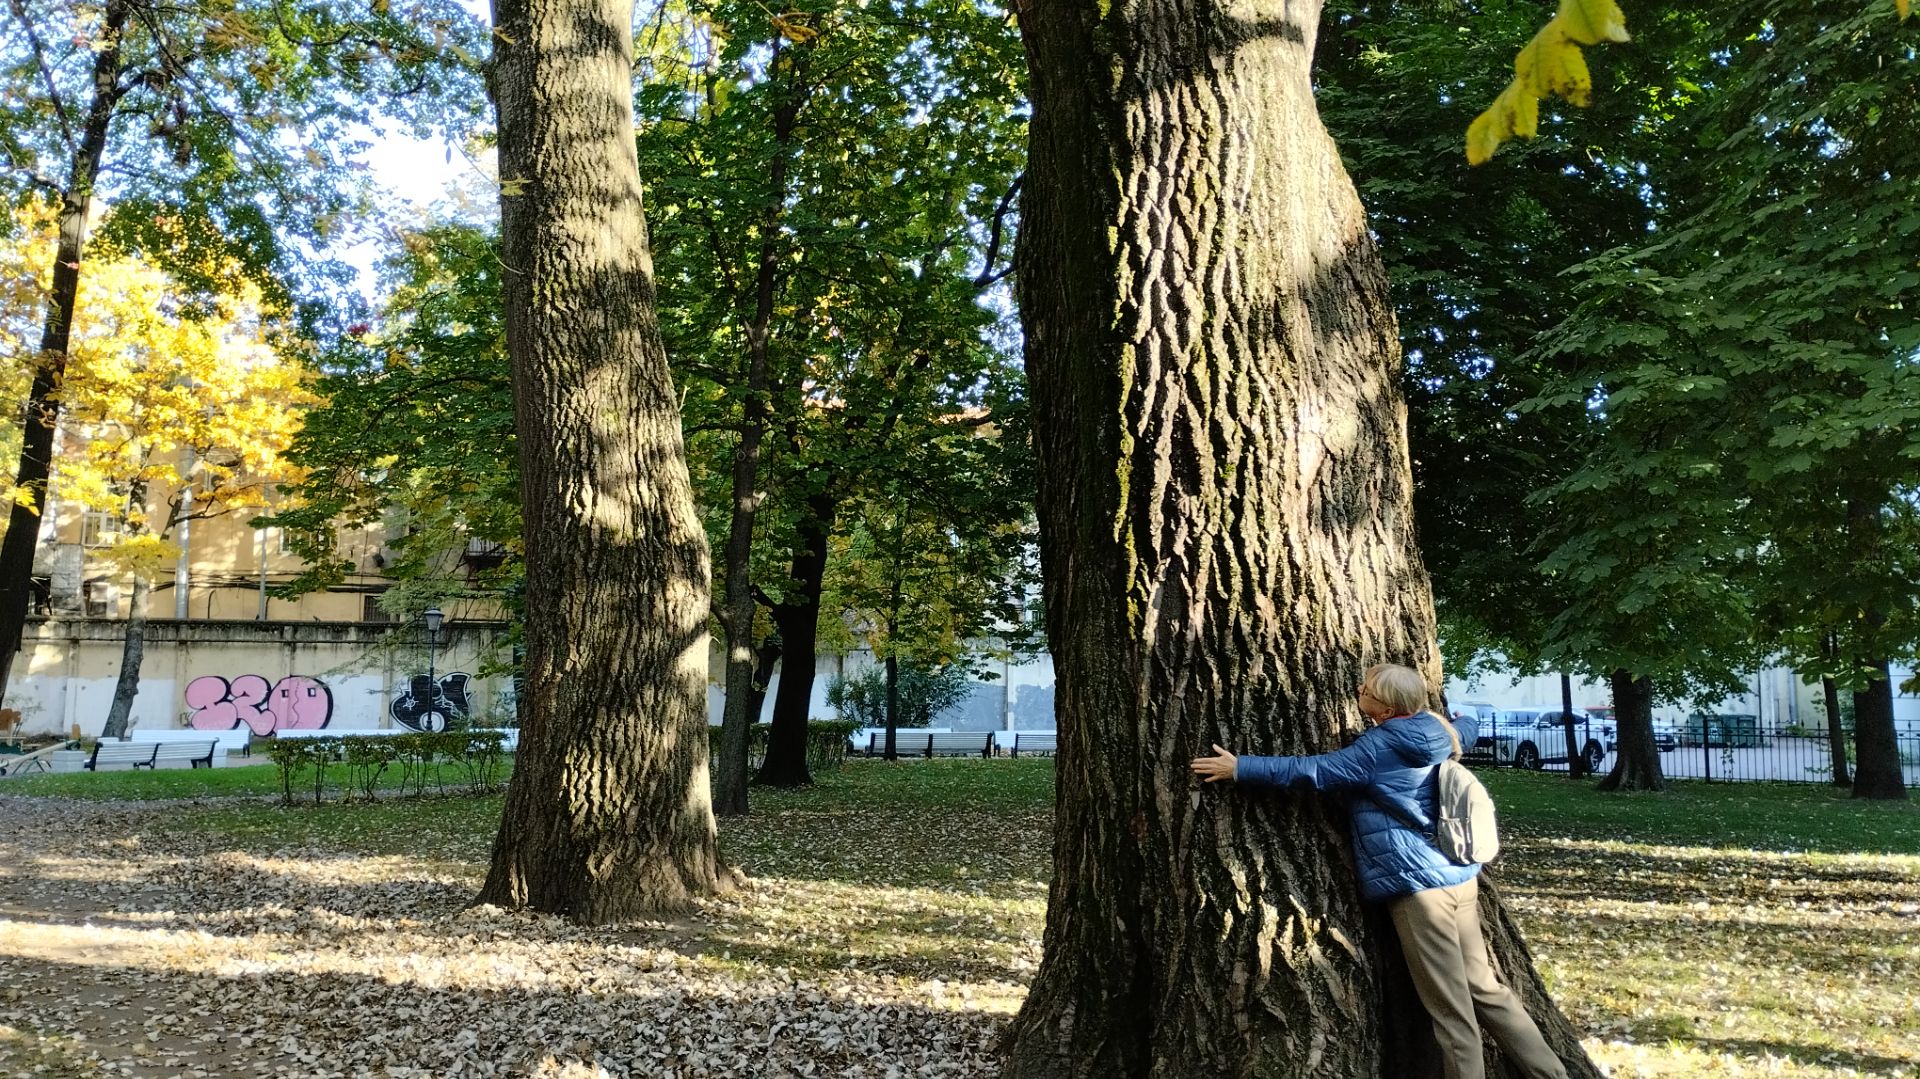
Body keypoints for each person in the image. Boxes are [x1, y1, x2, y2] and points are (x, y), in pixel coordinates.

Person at [1190, 663, 1568, 1079]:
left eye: (1366, 688)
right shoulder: (1441, 730)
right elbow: (1470, 727)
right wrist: (1467, 717)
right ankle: (1551, 1073)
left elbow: (1313, 771)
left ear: (1385, 710)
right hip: (1459, 877)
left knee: (1450, 1009)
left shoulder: (1377, 748)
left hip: (1421, 891)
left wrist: (1240, 767)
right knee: (1485, 988)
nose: (1358, 689)